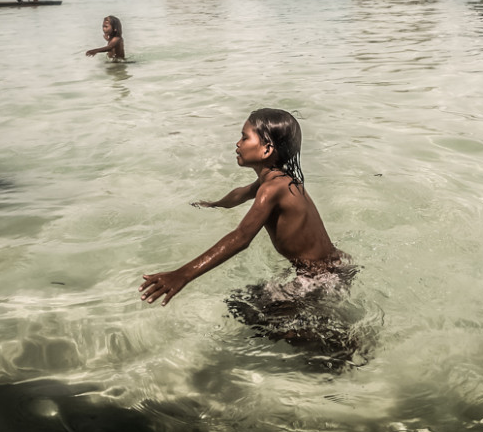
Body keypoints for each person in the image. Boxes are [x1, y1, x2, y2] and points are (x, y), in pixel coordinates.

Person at [139, 108, 348, 308]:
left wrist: (182, 274)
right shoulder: (279, 180)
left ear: (266, 149)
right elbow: (241, 193)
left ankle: (341, 344)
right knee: (248, 300)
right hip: (336, 264)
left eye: (244, 137)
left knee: (244, 307)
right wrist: (214, 205)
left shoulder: (272, 189)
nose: (237, 144)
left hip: (321, 278)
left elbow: (240, 238)